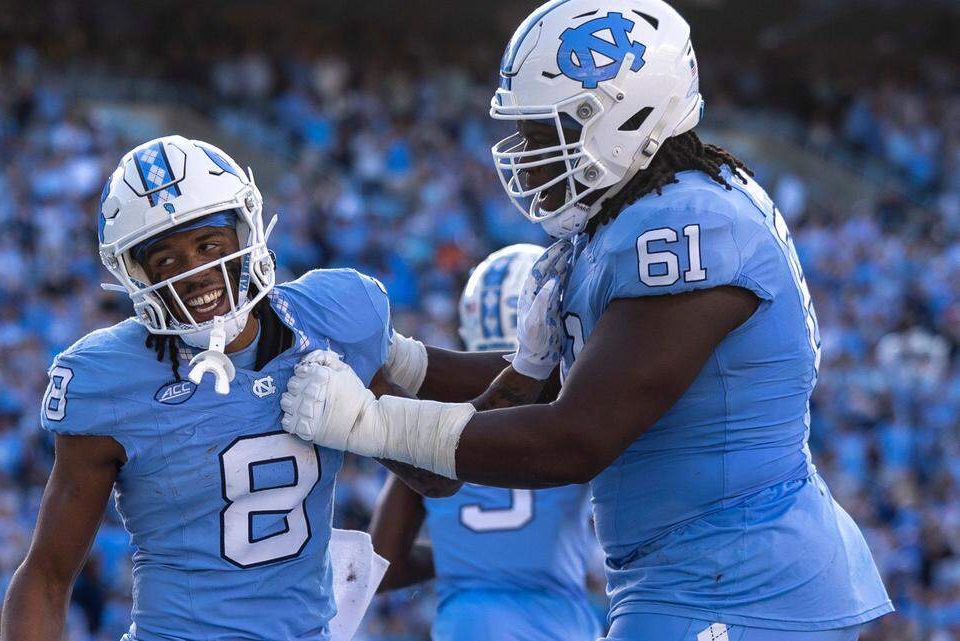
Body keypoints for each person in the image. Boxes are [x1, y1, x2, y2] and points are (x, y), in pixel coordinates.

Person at [278, 1, 894, 640]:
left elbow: (576, 438)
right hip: (686, 578)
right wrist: (393, 365)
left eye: (549, 131)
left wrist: (372, 421)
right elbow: (486, 431)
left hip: (744, 582)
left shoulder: (689, 226)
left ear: (628, 118)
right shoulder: (611, 230)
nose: (528, 154)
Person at [0, 135, 457, 641]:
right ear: (134, 274)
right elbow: (46, 575)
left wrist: (372, 425)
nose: (194, 272)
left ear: (247, 235)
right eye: (166, 262)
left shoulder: (330, 317)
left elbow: (440, 479)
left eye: (209, 245)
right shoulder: (106, 378)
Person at [369, 244, 602, 641]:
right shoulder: (581, 415)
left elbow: (382, 565)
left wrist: (464, 560)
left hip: (468, 624)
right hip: (559, 624)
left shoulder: (435, 418)